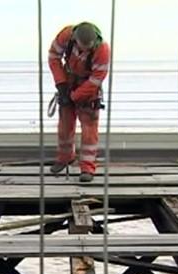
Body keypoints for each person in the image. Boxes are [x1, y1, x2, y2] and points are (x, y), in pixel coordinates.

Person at [48, 22, 110, 183]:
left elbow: (96, 79)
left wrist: (74, 96)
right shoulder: (66, 36)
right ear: (75, 40)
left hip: (89, 87)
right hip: (68, 81)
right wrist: (61, 85)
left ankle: (87, 167)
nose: (84, 51)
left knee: (89, 128)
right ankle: (65, 157)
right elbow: (54, 57)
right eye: (82, 48)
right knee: (64, 125)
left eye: (87, 49)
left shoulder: (102, 50)